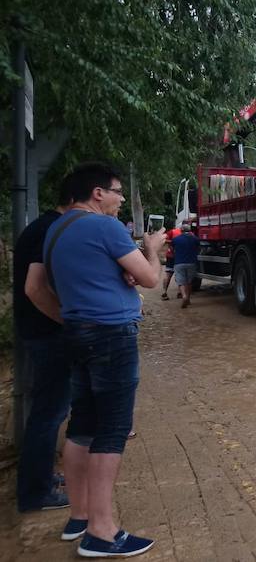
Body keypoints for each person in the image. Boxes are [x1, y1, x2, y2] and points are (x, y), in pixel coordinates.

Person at [45, 162, 165, 557]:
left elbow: (65, 282)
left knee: (82, 425)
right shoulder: (105, 227)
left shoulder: (56, 232)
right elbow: (151, 279)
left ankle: (79, 516)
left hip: (77, 333)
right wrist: (152, 250)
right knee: (112, 430)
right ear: (98, 193)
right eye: (117, 192)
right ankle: (102, 532)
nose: (120, 199)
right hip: (111, 336)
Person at [13, 182, 71, 513]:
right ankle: (35, 492)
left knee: (48, 410)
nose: (119, 199)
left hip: (40, 332)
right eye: (116, 191)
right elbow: (37, 289)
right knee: (48, 413)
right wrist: (68, 321)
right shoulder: (52, 229)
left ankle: (42, 479)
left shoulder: (44, 226)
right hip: (48, 334)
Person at [171, 222, 201, 308]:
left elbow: (172, 249)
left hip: (179, 263)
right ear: (190, 230)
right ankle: (188, 298)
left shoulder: (175, 239)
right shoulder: (195, 239)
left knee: (181, 282)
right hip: (192, 263)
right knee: (189, 282)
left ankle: (183, 296)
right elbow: (199, 249)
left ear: (181, 230)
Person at [160, 221, 182, 300]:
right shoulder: (188, 233)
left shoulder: (172, 232)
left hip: (170, 256)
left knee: (168, 274)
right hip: (180, 257)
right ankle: (180, 293)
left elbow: (164, 240)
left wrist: (172, 243)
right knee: (180, 275)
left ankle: (164, 292)